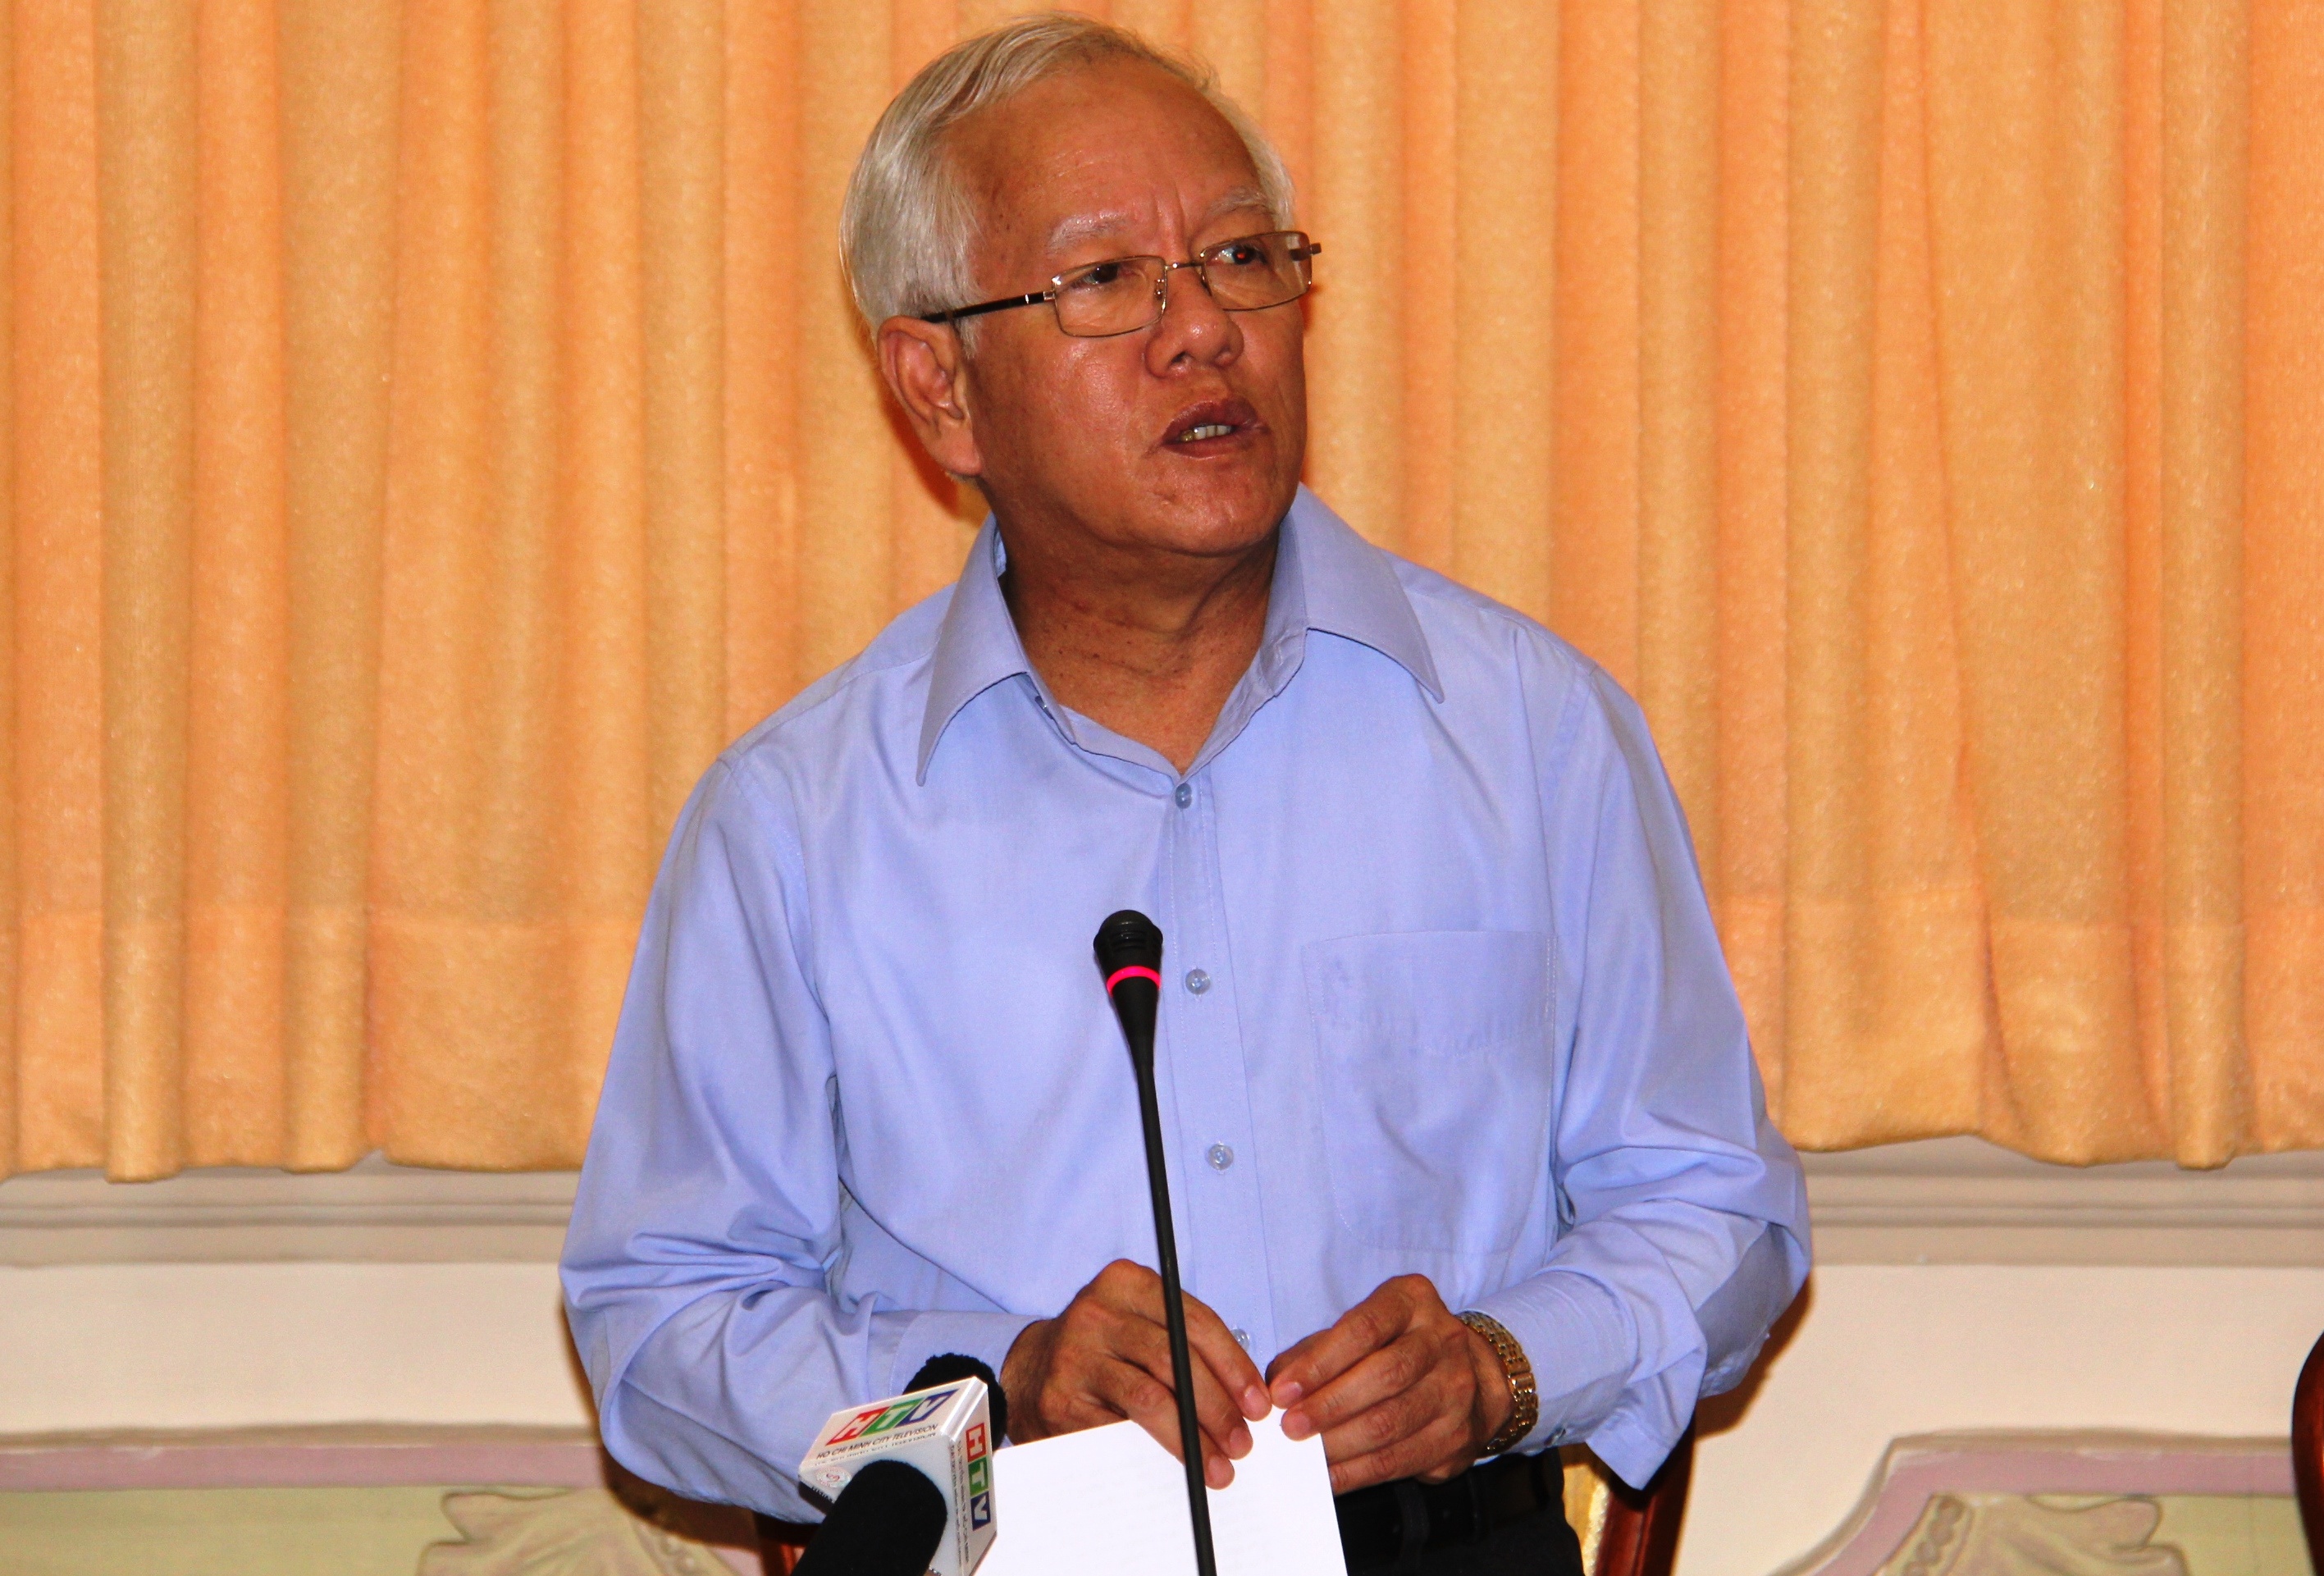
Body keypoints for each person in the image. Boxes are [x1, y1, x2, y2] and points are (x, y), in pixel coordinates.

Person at [561, 15, 1809, 1574]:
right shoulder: (800, 821)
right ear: (938, 389)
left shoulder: (1529, 734)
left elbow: (1720, 1213)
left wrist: (1502, 1364)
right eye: (1104, 280)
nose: (1203, 331)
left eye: (1240, 259)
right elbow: (658, 1330)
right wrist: (994, 1390)